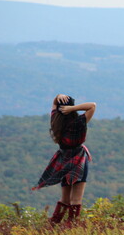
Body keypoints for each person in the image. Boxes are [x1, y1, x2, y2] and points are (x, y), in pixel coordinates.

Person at [32, 94, 96, 227]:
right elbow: (92, 106)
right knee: (76, 199)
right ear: (71, 108)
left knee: (65, 199)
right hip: (78, 160)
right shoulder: (79, 123)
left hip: (63, 160)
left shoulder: (55, 120)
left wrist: (57, 97)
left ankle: (54, 223)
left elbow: (54, 104)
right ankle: (71, 226)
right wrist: (73, 108)